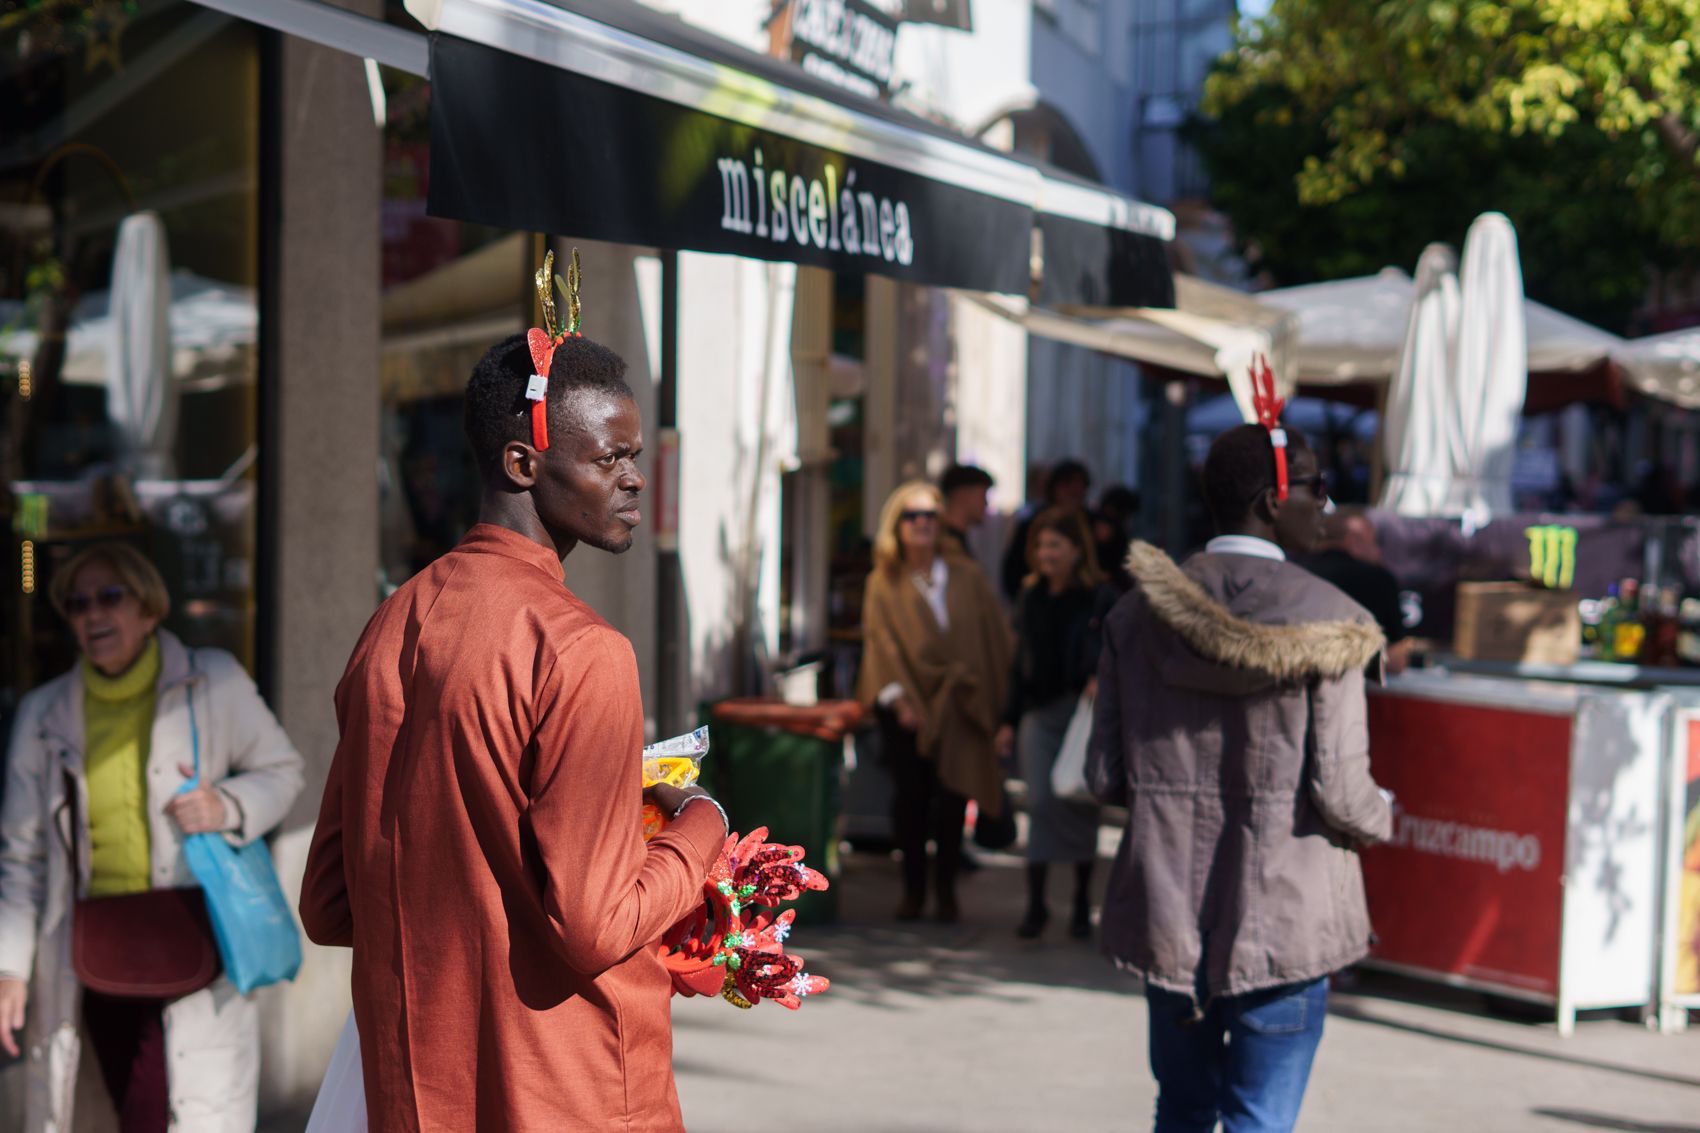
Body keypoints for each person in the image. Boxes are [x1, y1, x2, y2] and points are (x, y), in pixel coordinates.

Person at [298, 328, 729, 1130]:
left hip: (419, 1093)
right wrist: (701, 827)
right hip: (572, 1091)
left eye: (633, 455)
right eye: (609, 459)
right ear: (523, 464)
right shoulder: (584, 650)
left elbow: (329, 904)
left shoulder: (390, 626)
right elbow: (595, 924)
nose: (634, 479)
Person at [1090, 424, 1392, 1133]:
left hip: (1169, 912)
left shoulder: (1135, 613)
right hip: (1286, 920)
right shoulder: (1336, 621)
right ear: (1271, 500)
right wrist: (1386, 812)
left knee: (1184, 1109)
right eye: (1316, 486)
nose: (1327, 502)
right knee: (1262, 1119)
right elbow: (1344, 794)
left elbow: (1104, 774)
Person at [0, 542, 305, 1132]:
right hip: (89, 950)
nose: (93, 615)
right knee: (117, 1108)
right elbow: (22, 855)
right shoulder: (44, 715)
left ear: (149, 608)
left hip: (187, 934)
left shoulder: (212, 682)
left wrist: (227, 805)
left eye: (110, 597)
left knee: (164, 1109)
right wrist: (10, 968)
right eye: (78, 604)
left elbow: (283, 771)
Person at [857, 480, 1012, 922]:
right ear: (897, 525)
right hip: (908, 709)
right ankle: (913, 890)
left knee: (953, 799)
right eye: (912, 516)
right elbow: (880, 645)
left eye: (930, 516)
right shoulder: (883, 581)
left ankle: (947, 891)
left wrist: (997, 708)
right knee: (911, 801)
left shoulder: (966, 575)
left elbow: (993, 639)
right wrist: (900, 700)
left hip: (961, 705)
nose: (922, 524)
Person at [993, 507, 1116, 939]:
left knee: (1079, 801)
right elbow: (1017, 661)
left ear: (1076, 551)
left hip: (1080, 711)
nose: (1046, 554)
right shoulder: (1031, 595)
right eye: (1041, 545)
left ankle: (1082, 901)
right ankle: (1037, 904)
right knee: (1042, 801)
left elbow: (1113, 648)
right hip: (1038, 712)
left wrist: (1101, 676)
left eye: (1055, 546)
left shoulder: (1099, 596)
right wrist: (1007, 720)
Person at [1296, 511, 1412, 675]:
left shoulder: (1294, 571)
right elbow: (1395, 660)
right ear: (1353, 541)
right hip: (1349, 689)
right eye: (1374, 542)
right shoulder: (1378, 579)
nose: (1378, 550)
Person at [1001, 459, 1091, 600]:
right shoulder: (1034, 523)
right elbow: (1013, 572)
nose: (1044, 553)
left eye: (1080, 489)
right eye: (1068, 486)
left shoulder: (1091, 524)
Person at [937, 463, 994, 554]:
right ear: (963, 494)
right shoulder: (942, 545)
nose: (986, 503)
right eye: (982, 496)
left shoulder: (956, 541)